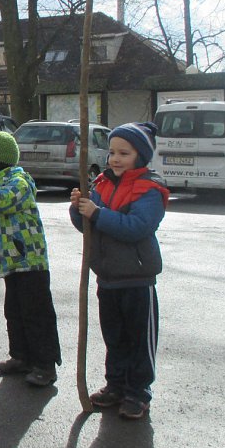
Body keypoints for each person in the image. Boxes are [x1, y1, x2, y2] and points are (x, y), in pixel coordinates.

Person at [70, 121, 169, 420]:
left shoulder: (149, 189)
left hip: (136, 278)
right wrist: (78, 209)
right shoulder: (102, 183)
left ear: (140, 156)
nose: (115, 159)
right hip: (108, 277)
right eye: (112, 152)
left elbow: (137, 227)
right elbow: (88, 227)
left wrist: (97, 213)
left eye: (124, 154)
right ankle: (115, 385)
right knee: (114, 337)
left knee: (139, 338)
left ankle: (138, 391)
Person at [0, 131, 61, 387]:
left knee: (35, 313)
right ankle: (21, 356)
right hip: (9, 262)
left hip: (29, 261)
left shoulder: (19, 181)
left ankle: (45, 364)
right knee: (14, 311)